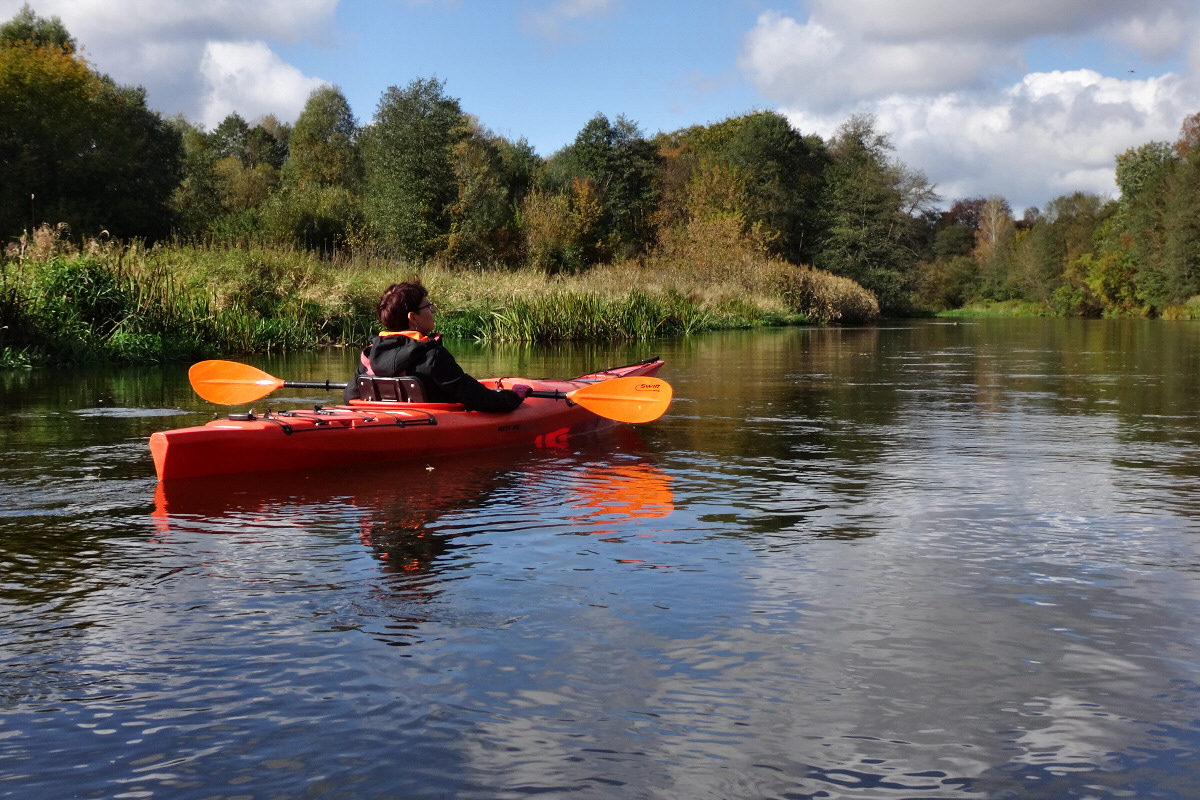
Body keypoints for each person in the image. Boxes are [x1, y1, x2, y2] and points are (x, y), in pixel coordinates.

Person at [343, 281, 531, 411]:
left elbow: (349, 398)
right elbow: (480, 399)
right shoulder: (432, 357)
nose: (432, 311)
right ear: (413, 317)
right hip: (426, 426)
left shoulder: (370, 356)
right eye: (429, 307)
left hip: (387, 422)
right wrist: (514, 397)